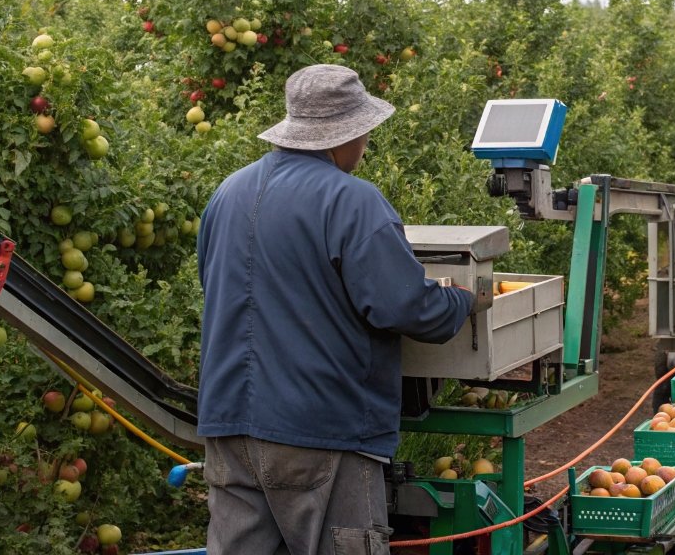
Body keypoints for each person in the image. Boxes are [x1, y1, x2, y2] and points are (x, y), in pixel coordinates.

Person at [196, 64, 474, 555]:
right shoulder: (352, 201)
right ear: (344, 136)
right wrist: (463, 301)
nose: (365, 145)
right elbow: (406, 307)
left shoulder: (227, 193)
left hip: (229, 427)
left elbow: (223, 286)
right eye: (364, 133)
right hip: (321, 430)